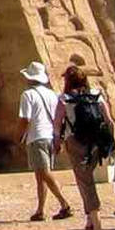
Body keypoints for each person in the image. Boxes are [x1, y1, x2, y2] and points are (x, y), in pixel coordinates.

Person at [54, 64, 113, 230]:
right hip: (95, 141)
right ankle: (90, 220)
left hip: (75, 141)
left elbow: (57, 124)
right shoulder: (96, 95)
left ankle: (97, 224)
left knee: (85, 180)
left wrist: (57, 142)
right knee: (86, 178)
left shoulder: (65, 98)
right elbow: (108, 120)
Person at [19, 61, 71, 221]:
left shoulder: (27, 94)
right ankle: (40, 209)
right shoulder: (52, 94)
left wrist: (20, 135)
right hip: (49, 135)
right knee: (40, 174)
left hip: (37, 136)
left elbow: (25, 119)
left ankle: (64, 203)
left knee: (44, 172)